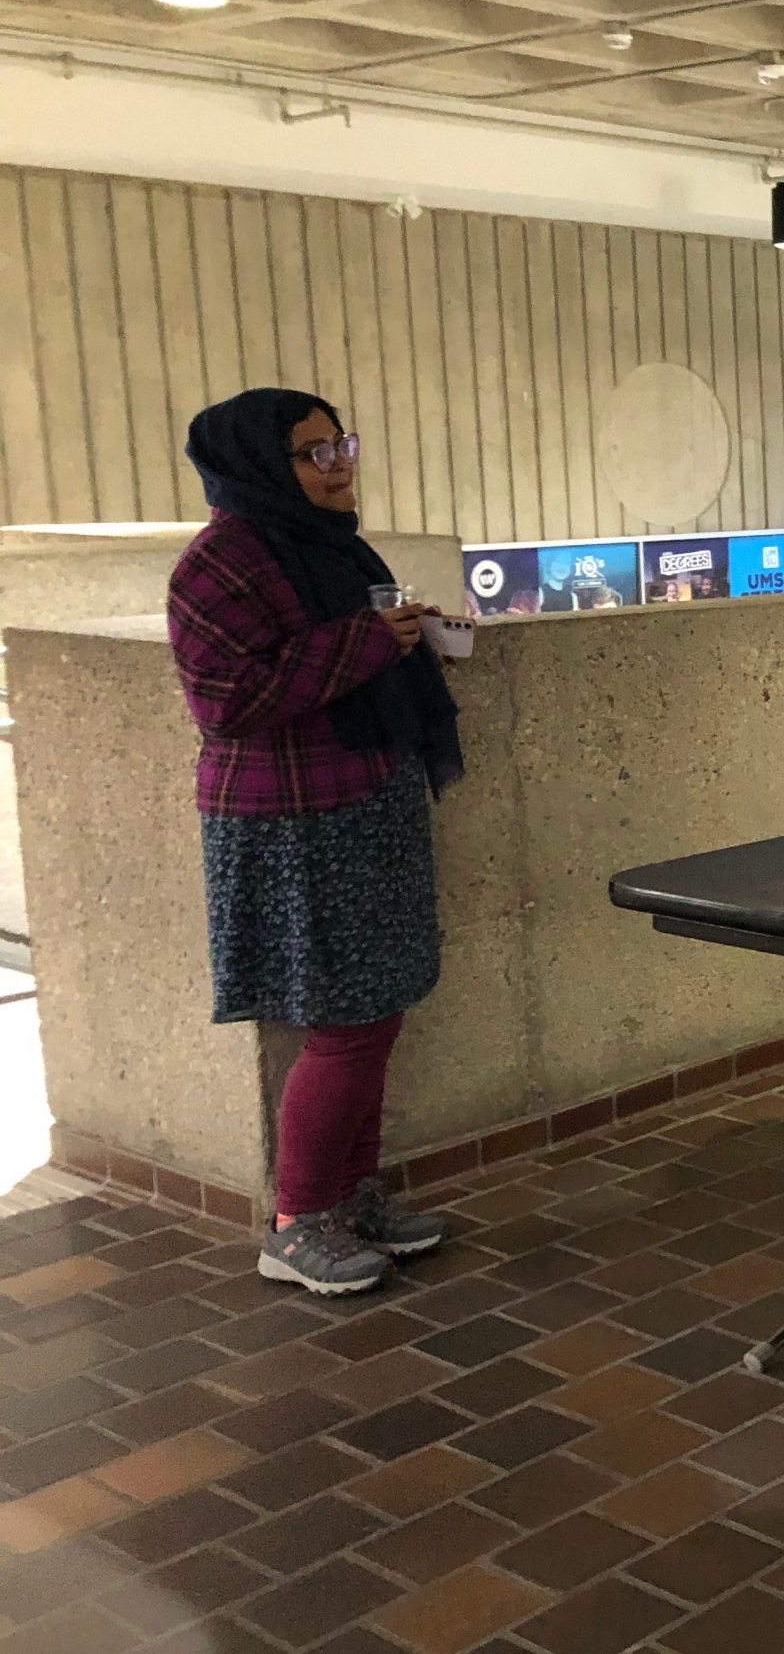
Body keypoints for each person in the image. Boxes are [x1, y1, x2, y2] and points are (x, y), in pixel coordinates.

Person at [166, 389, 465, 1298]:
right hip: (292, 822)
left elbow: (359, 648)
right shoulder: (219, 565)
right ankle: (296, 1222)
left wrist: (415, 640)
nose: (339, 464)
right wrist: (367, 644)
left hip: (363, 802)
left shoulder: (329, 546)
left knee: (377, 1012)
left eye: (341, 444)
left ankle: (351, 1197)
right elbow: (224, 702)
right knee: (347, 1021)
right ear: (258, 463)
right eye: (313, 452)